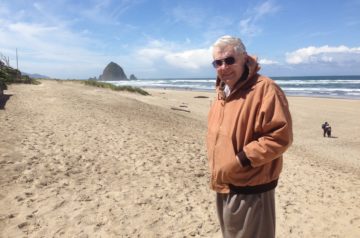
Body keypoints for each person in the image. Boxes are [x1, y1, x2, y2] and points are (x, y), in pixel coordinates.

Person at [206, 35, 293, 238]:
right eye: (217, 63)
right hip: (225, 185)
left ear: (244, 58)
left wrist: (239, 161)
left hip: (251, 190)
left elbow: (280, 136)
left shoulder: (265, 89)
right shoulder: (223, 91)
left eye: (229, 60)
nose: (223, 67)